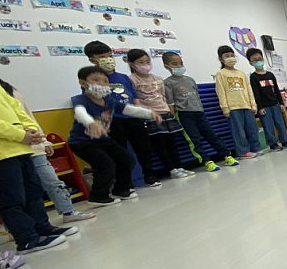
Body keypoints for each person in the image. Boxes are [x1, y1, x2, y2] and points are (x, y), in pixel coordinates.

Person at [0, 47, 95, 224]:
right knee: (16, 194)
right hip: (6, 148)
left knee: (46, 183)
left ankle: (65, 213)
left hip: (31, 142)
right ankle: (27, 230)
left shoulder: (3, 87)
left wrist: (41, 138)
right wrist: (20, 135)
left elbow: (24, 113)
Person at [0, 77, 79, 254]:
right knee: (12, 197)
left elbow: (18, 109)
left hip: (22, 148)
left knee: (33, 191)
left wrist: (32, 131)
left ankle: (42, 227)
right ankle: (26, 239)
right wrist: (19, 134)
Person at [68, 66, 162, 207]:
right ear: (83, 83)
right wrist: (91, 123)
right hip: (82, 142)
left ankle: (121, 190)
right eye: (96, 80)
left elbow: (128, 109)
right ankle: (98, 196)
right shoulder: (80, 99)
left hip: (103, 140)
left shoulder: (109, 101)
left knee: (127, 159)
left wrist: (149, 113)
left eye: (105, 81)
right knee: (106, 165)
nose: (101, 83)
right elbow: (80, 112)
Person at [83, 41, 161, 186]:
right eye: (102, 57)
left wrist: (141, 112)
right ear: (92, 60)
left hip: (132, 117)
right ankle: (126, 184)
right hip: (113, 119)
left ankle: (149, 176)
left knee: (143, 148)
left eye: (109, 56)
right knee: (120, 153)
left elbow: (134, 97)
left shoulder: (123, 77)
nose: (108, 59)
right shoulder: (91, 79)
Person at [161, 52, 239, 172]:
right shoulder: (168, 83)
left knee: (211, 135)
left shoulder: (190, 80)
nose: (179, 66)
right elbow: (170, 103)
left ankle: (226, 156)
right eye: (175, 64)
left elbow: (196, 97)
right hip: (184, 115)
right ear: (167, 66)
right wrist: (173, 119)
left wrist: (201, 109)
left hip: (199, 112)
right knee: (194, 139)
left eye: (181, 63)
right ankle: (206, 161)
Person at [126, 49, 194, 180]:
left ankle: (179, 166)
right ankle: (172, 169)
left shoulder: (157, 79)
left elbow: (163, 96)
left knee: (171, 143)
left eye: (147, 62)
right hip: (150, 115)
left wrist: (168, 110)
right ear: (132, 64)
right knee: (159, 145)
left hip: (165, 112)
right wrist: (146, 113)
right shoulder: (131, 80)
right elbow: (135, 99)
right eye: (141, 62)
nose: (146, 65)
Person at [214, 45, 262, 159]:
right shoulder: (221, 73)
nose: (230, 58)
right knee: (239, 131)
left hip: (246, 105)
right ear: (221, 59)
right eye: (227, 56)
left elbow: (249, 89)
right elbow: (221, 91)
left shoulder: (241, 73)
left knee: (252, 129)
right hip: (233, 107)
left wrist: (253, 104)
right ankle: (243, 151)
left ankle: (255, 148)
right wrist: (225, 108)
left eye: (232, 55)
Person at [246, 48, 287, 152]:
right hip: (264, 107)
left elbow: (276, 89)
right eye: (255, 60)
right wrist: (260, 107)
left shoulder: (270, 75)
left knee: (280, 123)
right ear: (250, 63)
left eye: (259, 59)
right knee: (268, 126)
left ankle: (284, 141)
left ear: (263, 59)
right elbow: (256, 94)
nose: (258, 61)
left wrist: (281, 103)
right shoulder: (253, 77)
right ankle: (273, 144)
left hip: (275, 104)